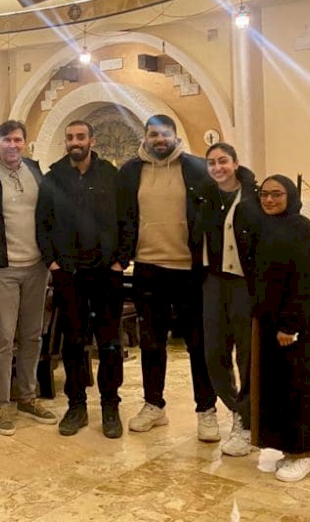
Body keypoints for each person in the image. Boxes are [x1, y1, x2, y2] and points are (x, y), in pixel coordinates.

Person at [113, 114, 218, 440]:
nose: (160, 140)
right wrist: (120, 257)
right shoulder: (130, 172)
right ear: (145, 137)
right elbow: (121, 217)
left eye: (165, 134)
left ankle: (206, 410)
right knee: (151, 342)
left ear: (175, 135)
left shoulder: (197, 168)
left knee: (198, 344)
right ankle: (154, 405)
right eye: (153, 134)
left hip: (190, 269)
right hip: (148, 268)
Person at [37, 120, 123, 438]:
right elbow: (42, 224)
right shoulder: (53, 178)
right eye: (70, 137)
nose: (75, 142)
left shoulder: (111, 176)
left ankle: (110, 406)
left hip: (106, 273)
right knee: (73, 343)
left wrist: (121, 260)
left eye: (81, 137)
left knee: (109, 343)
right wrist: (53, 263)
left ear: (91, 140)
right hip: (69, 275)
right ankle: (76, 406)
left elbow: (128, 218)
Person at [0, 120, 57, 436]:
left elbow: (47, 216)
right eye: (7, 139)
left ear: (25, 143)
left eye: (18, 140)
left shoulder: (35, 170)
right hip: (3, 268)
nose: (12, 145)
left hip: (36, 266)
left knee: (33, 335)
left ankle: (27, 397)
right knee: (4, 338)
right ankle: (0, 404)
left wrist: (50, 256)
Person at [253, 175, 310, 482]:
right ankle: (292, 449)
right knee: (283, 388)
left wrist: (290, 324)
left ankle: (307, 454)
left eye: (277, 194)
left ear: (291, 196)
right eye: (264, 194)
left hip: (300, 324)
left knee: (303, 387)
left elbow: (308, 275)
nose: (269, 199)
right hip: (273, 323)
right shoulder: (266, 226)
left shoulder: (300, 226)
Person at [194, 142, 263, 457]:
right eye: (212, 162)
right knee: (214, 354)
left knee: (246, 355)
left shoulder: (253, 197)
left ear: (235, 163)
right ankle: (237, 408)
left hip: (243, 285)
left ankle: (247, 423)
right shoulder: (204, 196)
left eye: (223, 161)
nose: (217, 167)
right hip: (213, 282)